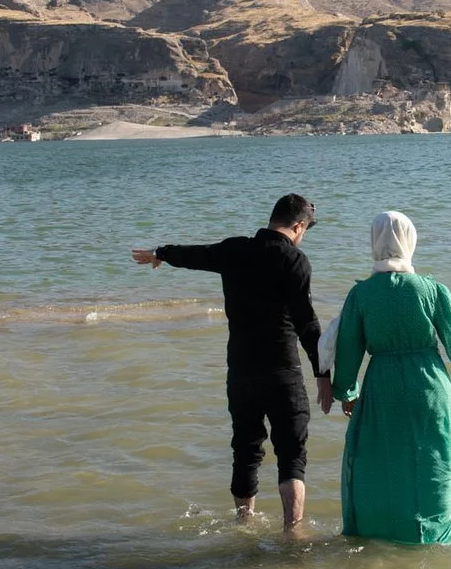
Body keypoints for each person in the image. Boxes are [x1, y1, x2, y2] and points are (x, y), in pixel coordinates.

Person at [133, 194, 332, 529]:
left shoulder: (234, 250)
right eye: (304, 231)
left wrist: (161, 254)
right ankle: (292, 531)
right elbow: (307, 324)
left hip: (241, 374)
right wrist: (323, 373)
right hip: (282, 372)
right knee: (292, 455)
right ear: (298, 226)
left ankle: (244, 524)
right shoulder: (294, 261)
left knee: (245, 448)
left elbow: (195, 255)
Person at [328, 210, 451, 545]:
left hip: (382, 384)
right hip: (429, 384)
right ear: (410, 241)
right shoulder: (432, 289)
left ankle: (376, 536)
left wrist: (346, 390)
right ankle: (432, 539)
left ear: (374, 242)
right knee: (431, 463)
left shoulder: (361, 295)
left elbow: (349, 347)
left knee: (375, 461)